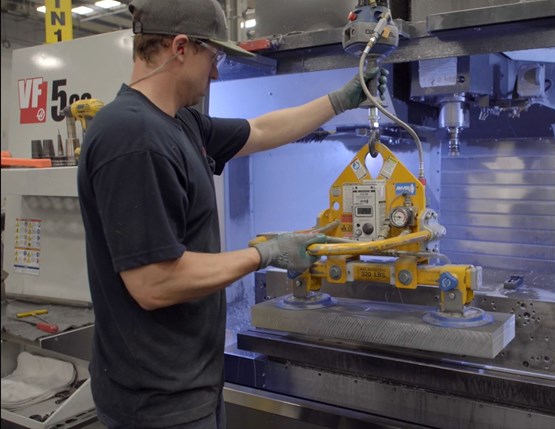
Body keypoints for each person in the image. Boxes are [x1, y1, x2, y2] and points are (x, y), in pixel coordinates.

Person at [76, 0, 387, 427]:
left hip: (189, 384)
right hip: (156, 404)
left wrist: (343, 98)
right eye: (214, 57)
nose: (217, 72)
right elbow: (153, 283)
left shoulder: (178, 123)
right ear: (181, 47)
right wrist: (266, 253)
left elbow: (260, 131)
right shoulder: (133, 137)